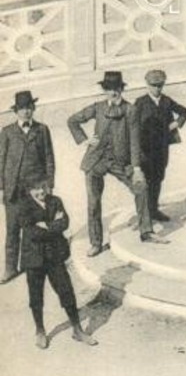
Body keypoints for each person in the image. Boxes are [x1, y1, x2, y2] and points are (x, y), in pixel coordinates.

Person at [67, 70, 168, 255]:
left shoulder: (131, 110)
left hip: (121, 162)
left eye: (116, 89)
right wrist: (84, 140)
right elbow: (73, 120)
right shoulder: (97, 107)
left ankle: (146, 231)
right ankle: (96, 242)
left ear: (121, 89)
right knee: (93, 202)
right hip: (96, 160)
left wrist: (136, 168)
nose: (112, 93)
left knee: (141, 187)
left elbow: (135, 141)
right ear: (104, 90)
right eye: (108, 89)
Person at [19, 179, 97, 349]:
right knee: (36, 297)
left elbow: (65, 223)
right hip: (34, 259)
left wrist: (46, 225)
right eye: (36, 189)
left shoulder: (55, 201)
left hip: (55, 256)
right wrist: (54, 227)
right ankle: (40, 330)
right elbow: (32, 233)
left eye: (42, 187)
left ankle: (77, 329)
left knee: (66, 291)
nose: (41, 192)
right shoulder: (24, 206)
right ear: (29, 191)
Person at [0, 90, 55, 284]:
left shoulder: (42, 130)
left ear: (33, 109)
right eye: (22, 109)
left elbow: (49, 158)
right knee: (12, 229)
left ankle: (36, 264)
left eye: (28, 108)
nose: (25, 112)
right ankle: (9, 268)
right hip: (13, 190)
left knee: (35, 227)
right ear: (16, 111)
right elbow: (1, 160)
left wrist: (48, 185)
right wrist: (2, 188)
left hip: (36, 189)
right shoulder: (7, 132)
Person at [133, 70, 186, 223]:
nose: (157, 89)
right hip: (145, 149)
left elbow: (185, 112)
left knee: (158, 178)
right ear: (147, 85)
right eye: (154, 85)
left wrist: (176, 124)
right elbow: (133, 126)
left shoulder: (166, 101)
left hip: (162, 148)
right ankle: (144, 214)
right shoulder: (140, 103)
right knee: (146, 181)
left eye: (160, 85)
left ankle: (154, 210)